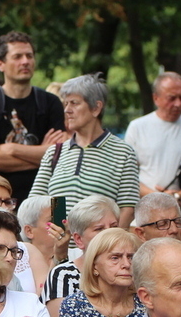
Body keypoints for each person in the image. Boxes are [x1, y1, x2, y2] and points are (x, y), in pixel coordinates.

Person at [30, 73, 138, 222]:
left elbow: (127, 209)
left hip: (99, 244)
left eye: (74, 103)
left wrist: (108, 244)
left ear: (96, 108)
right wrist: (59, 237)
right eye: (66, 104)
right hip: (59, 243)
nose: (67, 110)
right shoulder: (55, 152)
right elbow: (35, 204)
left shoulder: (123, 153)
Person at [0, 31, 66, 203]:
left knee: (60, 231)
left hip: (47, 201)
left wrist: (12, 149)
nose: (25, 61)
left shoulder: (51, 102)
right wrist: (42, 157)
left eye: (29, 56)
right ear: (0, 64)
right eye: (17, 56)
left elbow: (61, 157)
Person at [126, 72, 181, 206]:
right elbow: (127, 176)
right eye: (171, 98)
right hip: (149, 212)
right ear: (156, 98)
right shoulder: (137, 127)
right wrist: (158, 197)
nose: (178, 104)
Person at [40, 196, 120, 317]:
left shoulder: (131, 268)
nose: (109, 233)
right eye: (99, 229)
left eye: (114, 227)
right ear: (78, 239)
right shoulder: (64, 275)